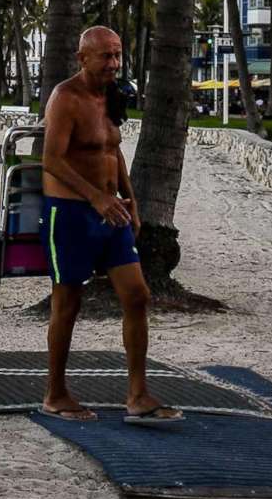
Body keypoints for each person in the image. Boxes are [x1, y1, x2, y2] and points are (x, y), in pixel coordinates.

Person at [39, 27, 180, 425]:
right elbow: (52, 159)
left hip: (112, 212)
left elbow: (112, 151)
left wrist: (130, 202)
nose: (114, 64)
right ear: (83, 58)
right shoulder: (66, 97)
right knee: (67, 303)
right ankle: (55, 393)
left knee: (137, 295)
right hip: (69, 213)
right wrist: (96, 198)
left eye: (118, 55)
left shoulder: (112, 96)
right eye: (106, 56)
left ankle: (138, 395)